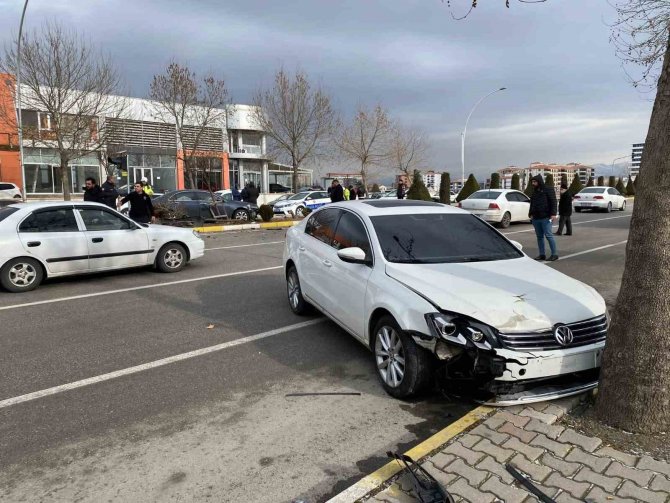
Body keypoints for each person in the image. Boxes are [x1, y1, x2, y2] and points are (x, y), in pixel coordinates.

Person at [528, 174, 558, 261]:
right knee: (539, 237)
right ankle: (542, 254)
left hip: (546, 217)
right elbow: (532, 203)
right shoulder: (534, 191)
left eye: (534, 181)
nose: (533, 183)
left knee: (549, 235)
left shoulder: (548, 189)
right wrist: (530, 214)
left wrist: (553, 214)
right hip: (536, 218)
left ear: (539, 181)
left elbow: (553, 202)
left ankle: (554, 254)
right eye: (532, 182)